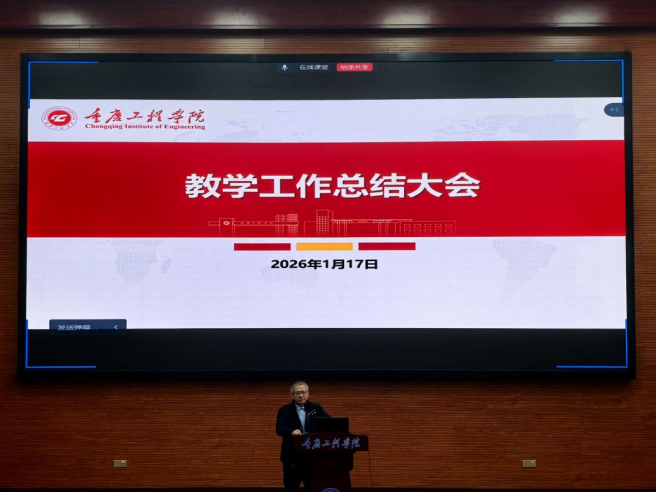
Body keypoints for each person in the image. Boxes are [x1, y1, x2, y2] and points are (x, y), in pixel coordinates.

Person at [276, 380, 331, 492]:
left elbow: (330, 423)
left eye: (303, 392)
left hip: (312, 457)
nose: (301, 395)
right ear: (292, 395)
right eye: (297, 393)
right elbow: (279, 428)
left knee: (312, 487)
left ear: (308, 393)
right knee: (291, 487)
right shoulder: (285, 410)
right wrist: (291, 431)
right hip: (292, 457)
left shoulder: (316, 409)